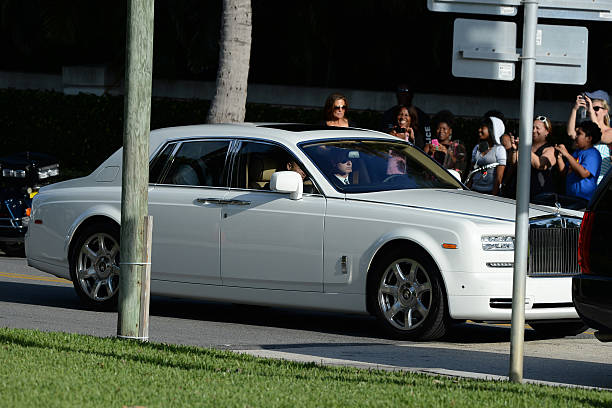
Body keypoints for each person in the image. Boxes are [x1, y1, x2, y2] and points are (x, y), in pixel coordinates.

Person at [566, 90, 612, 184]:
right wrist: (575, 109)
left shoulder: (610, 132)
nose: (591, 110)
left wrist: (590, 110)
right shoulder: (586, 131)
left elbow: (598, 136)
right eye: (589, 106)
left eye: (596, 108)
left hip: (601, 183)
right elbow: (571, 133)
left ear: (605, 111)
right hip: (583, 182)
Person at [555, 120, 602, 206]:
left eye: (579, 134)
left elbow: (584, 173)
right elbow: (564, 173)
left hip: (584, 200)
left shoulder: (593, 154)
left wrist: (567, 155)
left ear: (589, 138)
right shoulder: (576, 152)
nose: (575, 137)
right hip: (570, 197)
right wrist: (559, 157)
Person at [381, 84, 431, 148]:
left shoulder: (421, 117)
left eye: (406, 115)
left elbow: (427, 143)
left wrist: (411, 139)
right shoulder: (388, 115)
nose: (402, 117)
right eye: (400, 114)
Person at [467, 116, 507, 196]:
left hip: (489, 192)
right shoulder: (477, 147)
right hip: (474, 190)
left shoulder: (499, 149)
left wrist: (493, 196)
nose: (479, 130)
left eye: (482, 128)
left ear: (493, 130)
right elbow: (472, 172)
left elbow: (499, 177)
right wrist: (467, 190)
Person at [423, 110, 467, 176]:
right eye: (439, 128)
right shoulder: (429, 146)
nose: (441, 131)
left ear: (450, 131)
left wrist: (447, 153)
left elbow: (461, 167)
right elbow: (422, 165)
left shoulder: (457, 146)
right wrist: (430, 153)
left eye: (444, 128)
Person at [529, 116, 557, 200]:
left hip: (541, 196)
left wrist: (524, 148)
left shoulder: (550, 149)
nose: (534, 130)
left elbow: (540, 165)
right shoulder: (526, 146)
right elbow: (514, 164)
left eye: (537, 128)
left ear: (547, 132)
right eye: (532, 127)